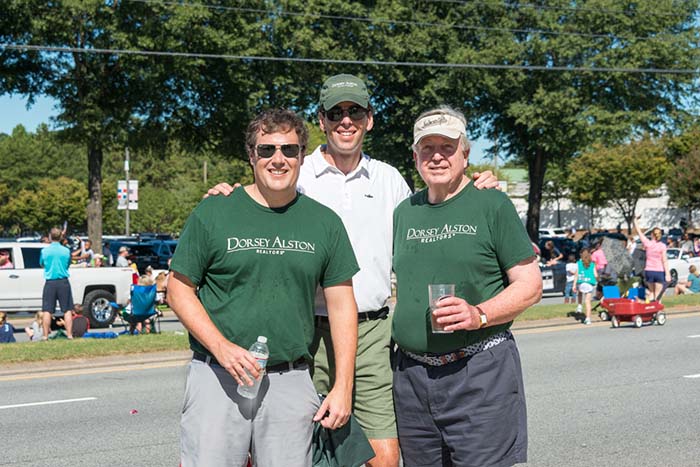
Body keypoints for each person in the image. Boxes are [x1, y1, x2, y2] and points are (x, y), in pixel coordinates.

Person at [205, 74, 498, 467]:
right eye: (336, 112)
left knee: (384, 458)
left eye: (355, 111)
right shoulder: (295, 167)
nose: (346, 120)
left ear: (369, 119)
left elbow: (432, 214)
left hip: (372, 332)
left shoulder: (389, 179)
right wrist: (226, 194)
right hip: (305, 331)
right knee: (295, 450)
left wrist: (474, 186)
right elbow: (254, 203)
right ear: (321, 120)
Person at [169, 109, 360, 466]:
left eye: (289, 150)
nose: (278, 159)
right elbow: (178, 290)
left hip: (290, 380)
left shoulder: (324, 222)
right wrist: (223, 348)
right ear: (251, 155)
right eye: (267, 149)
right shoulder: (213, 213)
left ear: (302, 156)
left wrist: (342, 387)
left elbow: (342, 307)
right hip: (217, 376)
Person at [391, 106, 542, 466]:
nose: (437, 156)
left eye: (447, 146)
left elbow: (530, 285)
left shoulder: (491, 203)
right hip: (411, 379)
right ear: (414, 156)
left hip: (479, 374)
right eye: (427, 148)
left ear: (465, 152)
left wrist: (479, 313)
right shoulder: (404, 212)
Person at [40, 227, 74, 340]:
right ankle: (69, 334)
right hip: (63, 281)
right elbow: (68, 264)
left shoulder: (45, 251)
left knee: (47, 310)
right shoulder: (66, 251)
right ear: (61, 237)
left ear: (50, 236)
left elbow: (42, 263)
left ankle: (45, 336)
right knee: (67, 309)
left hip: (50, 281)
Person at [633, 217, 670, 302]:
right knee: (658, 293)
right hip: (659, 271)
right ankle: (656, 311)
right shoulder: (662, 246)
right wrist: (667, 274)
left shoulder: (648, 243)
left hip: (649, 271)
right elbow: (664, 260)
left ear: (652, 235)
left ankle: (648, 309)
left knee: (651, 292)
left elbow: (639, 233)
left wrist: (635, 221)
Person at [574, 248, 598, 325]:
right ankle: (588, 318)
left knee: (580, 292)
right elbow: (595, 274)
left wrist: (574, 284)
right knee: (588, 302)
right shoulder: (592, 264)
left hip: (581, 282)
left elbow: (576, 274)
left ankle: (580, 305)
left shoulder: (579, 263)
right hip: (590, 283)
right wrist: (598, 279)